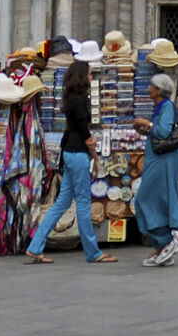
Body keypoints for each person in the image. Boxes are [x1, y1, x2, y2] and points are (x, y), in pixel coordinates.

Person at [26, 61, 115, 264]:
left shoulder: (69, 98)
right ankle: (92, 252)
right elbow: (85, 133)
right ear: (83, 77)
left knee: (62, 202)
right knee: (83, 203)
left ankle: (35, 246)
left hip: (69, 152)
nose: (92, 78)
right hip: (78, 154)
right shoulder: (80, 100)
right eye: (90, 75)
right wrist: (94, 155)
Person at [134, 74, 178, 259]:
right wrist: (146, 129)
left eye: (151, 85)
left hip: (163, 161)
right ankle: (161, 245)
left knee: (145, 198)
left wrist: (147, 124)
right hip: (160, 159)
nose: (148, 88)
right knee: (158, 200)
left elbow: (164, 132)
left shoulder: (166, 107)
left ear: (158, 90)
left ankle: (165, 240)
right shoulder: (161, 107)